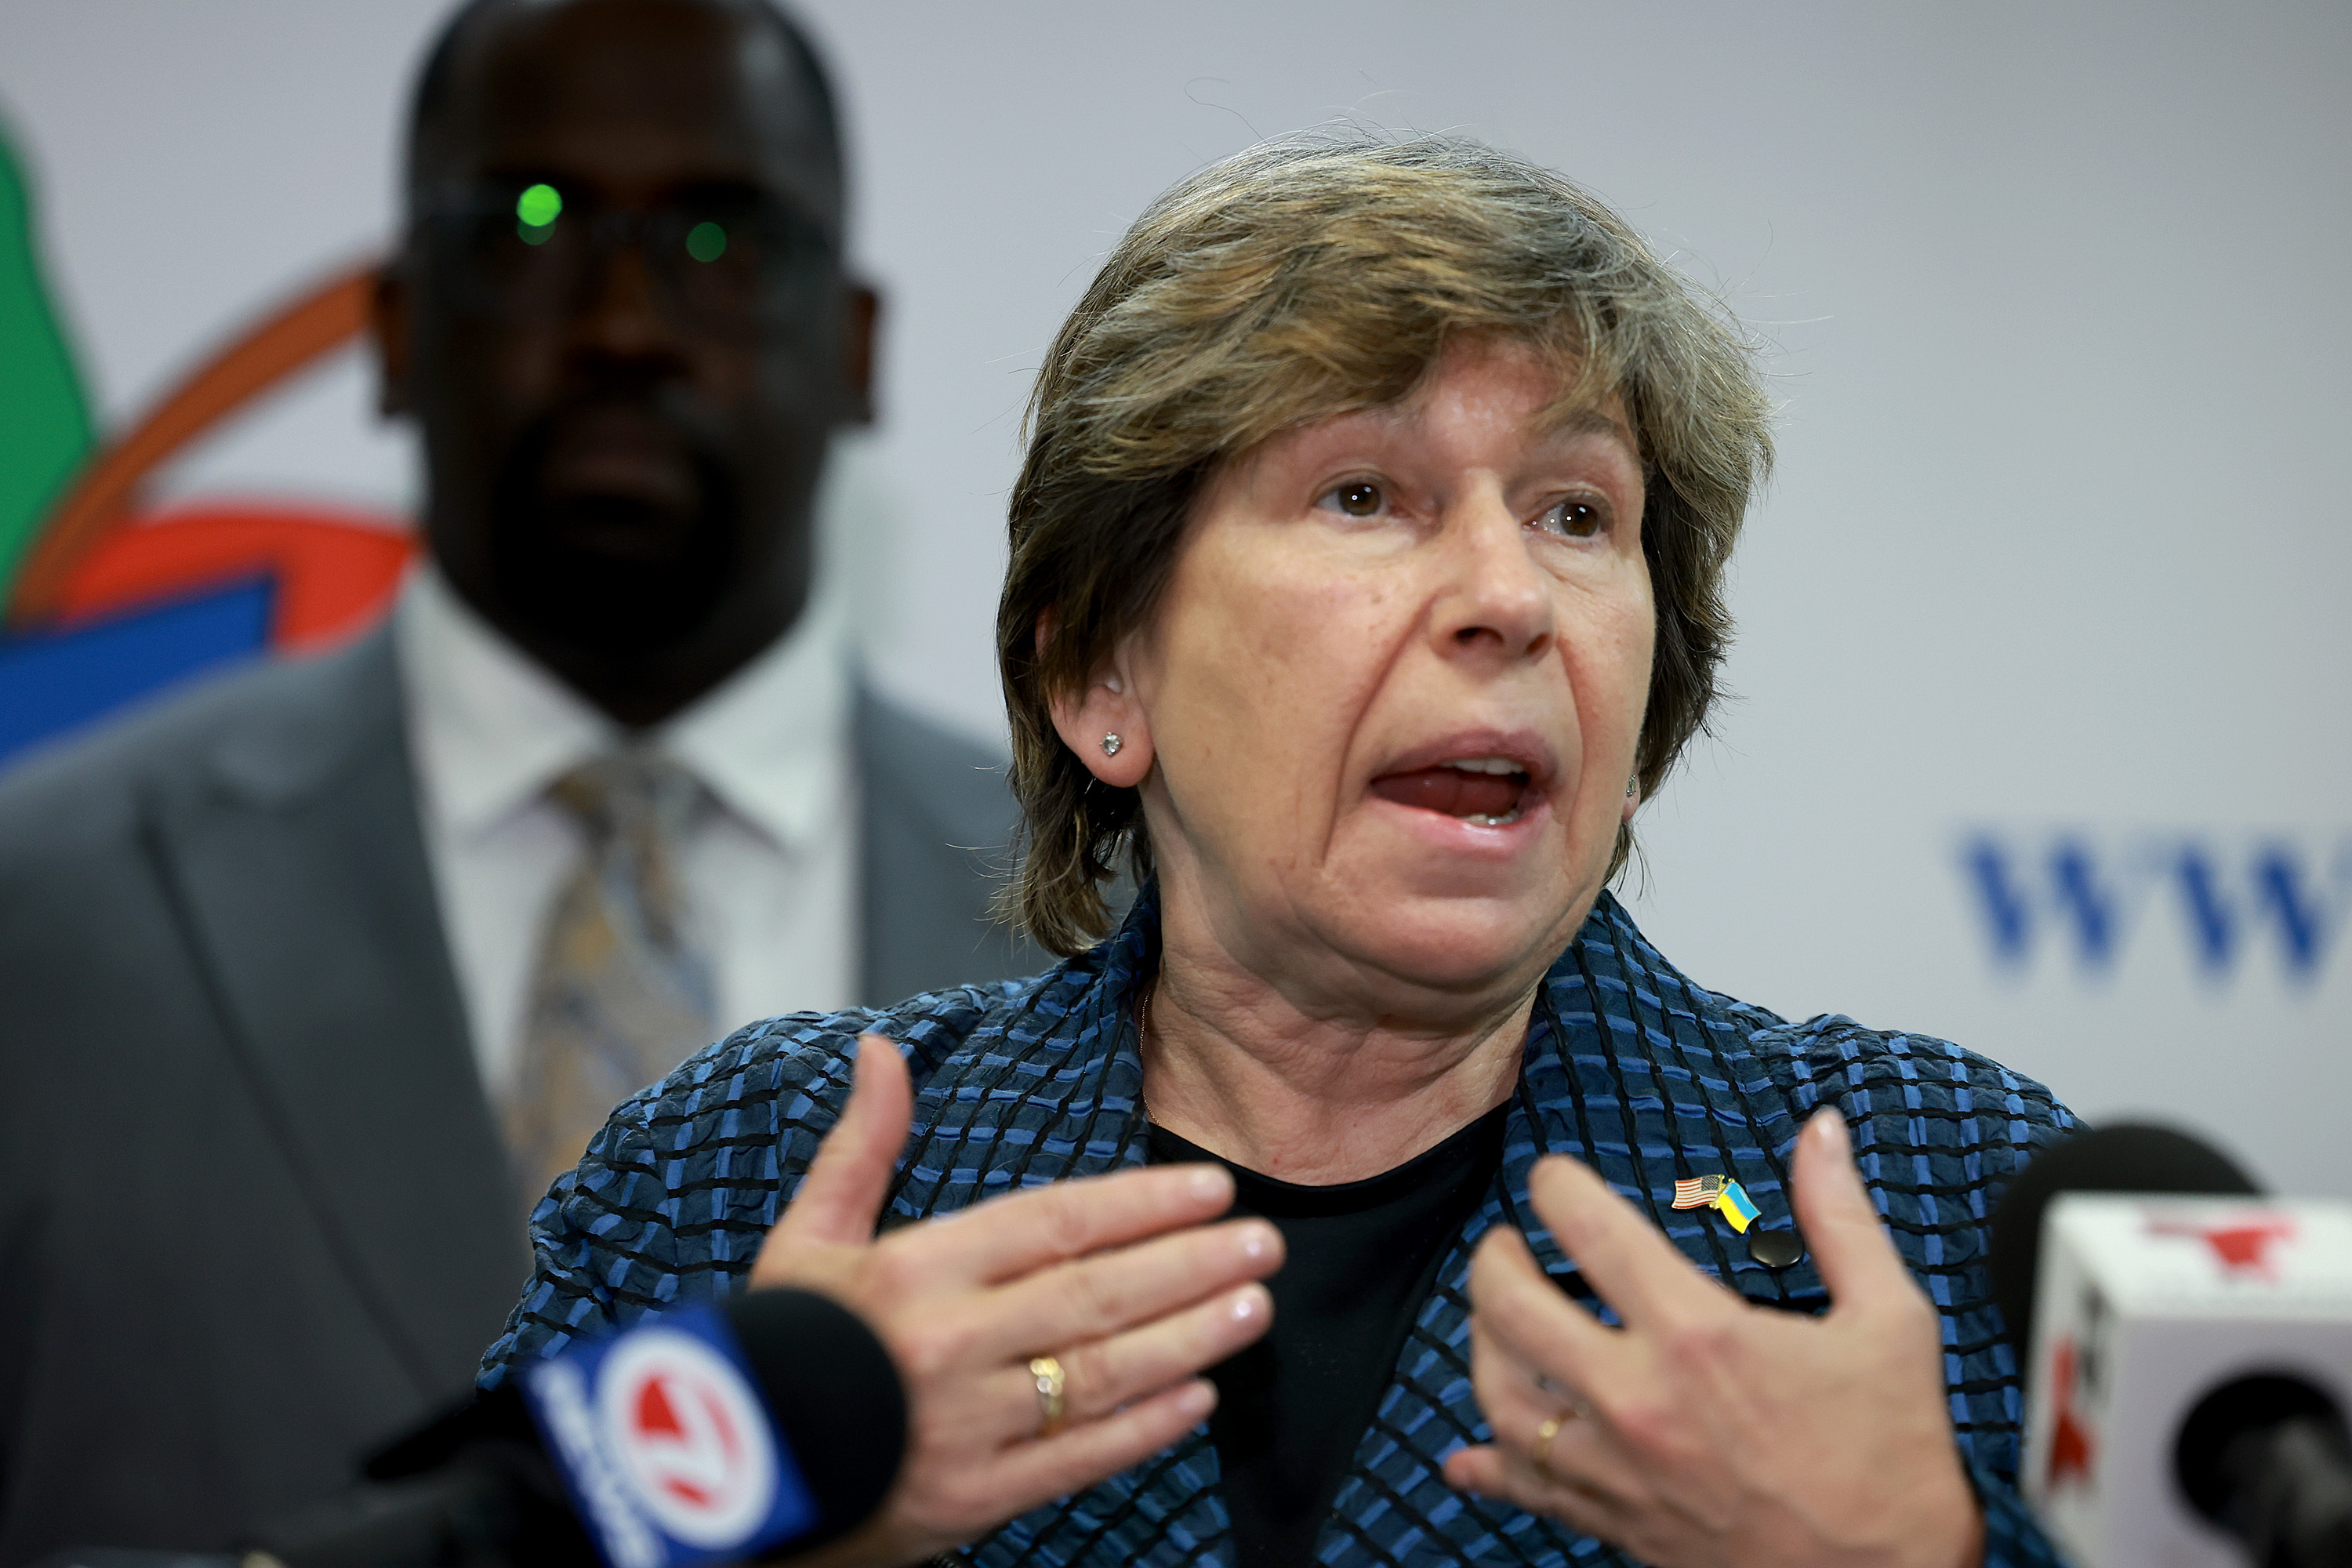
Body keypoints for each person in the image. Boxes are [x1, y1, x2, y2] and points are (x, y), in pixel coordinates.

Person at [480, 134, 2076, 1568]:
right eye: (1366, 493)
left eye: (1578, 514)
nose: (1509, 596)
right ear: (1105, 676)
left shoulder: (1943, 1190)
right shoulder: (748, 1175)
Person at [0, 1, 1035, 1560]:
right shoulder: (41, 913)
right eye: (529, 225)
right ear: (401, 332)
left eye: (719, 234)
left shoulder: (1122, 932)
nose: (622, 318)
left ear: (857, 348)